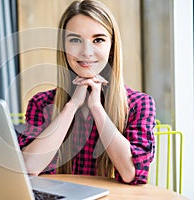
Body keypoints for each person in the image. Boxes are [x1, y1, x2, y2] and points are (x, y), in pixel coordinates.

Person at [17, 0, 156, 184]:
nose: (86, 52)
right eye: (75, 40)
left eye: (98, 40)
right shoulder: (41, 102)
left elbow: (130, 172)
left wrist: (97, 108)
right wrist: (71, 106)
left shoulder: (140, 104)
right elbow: (28, 167)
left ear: (112, 47)